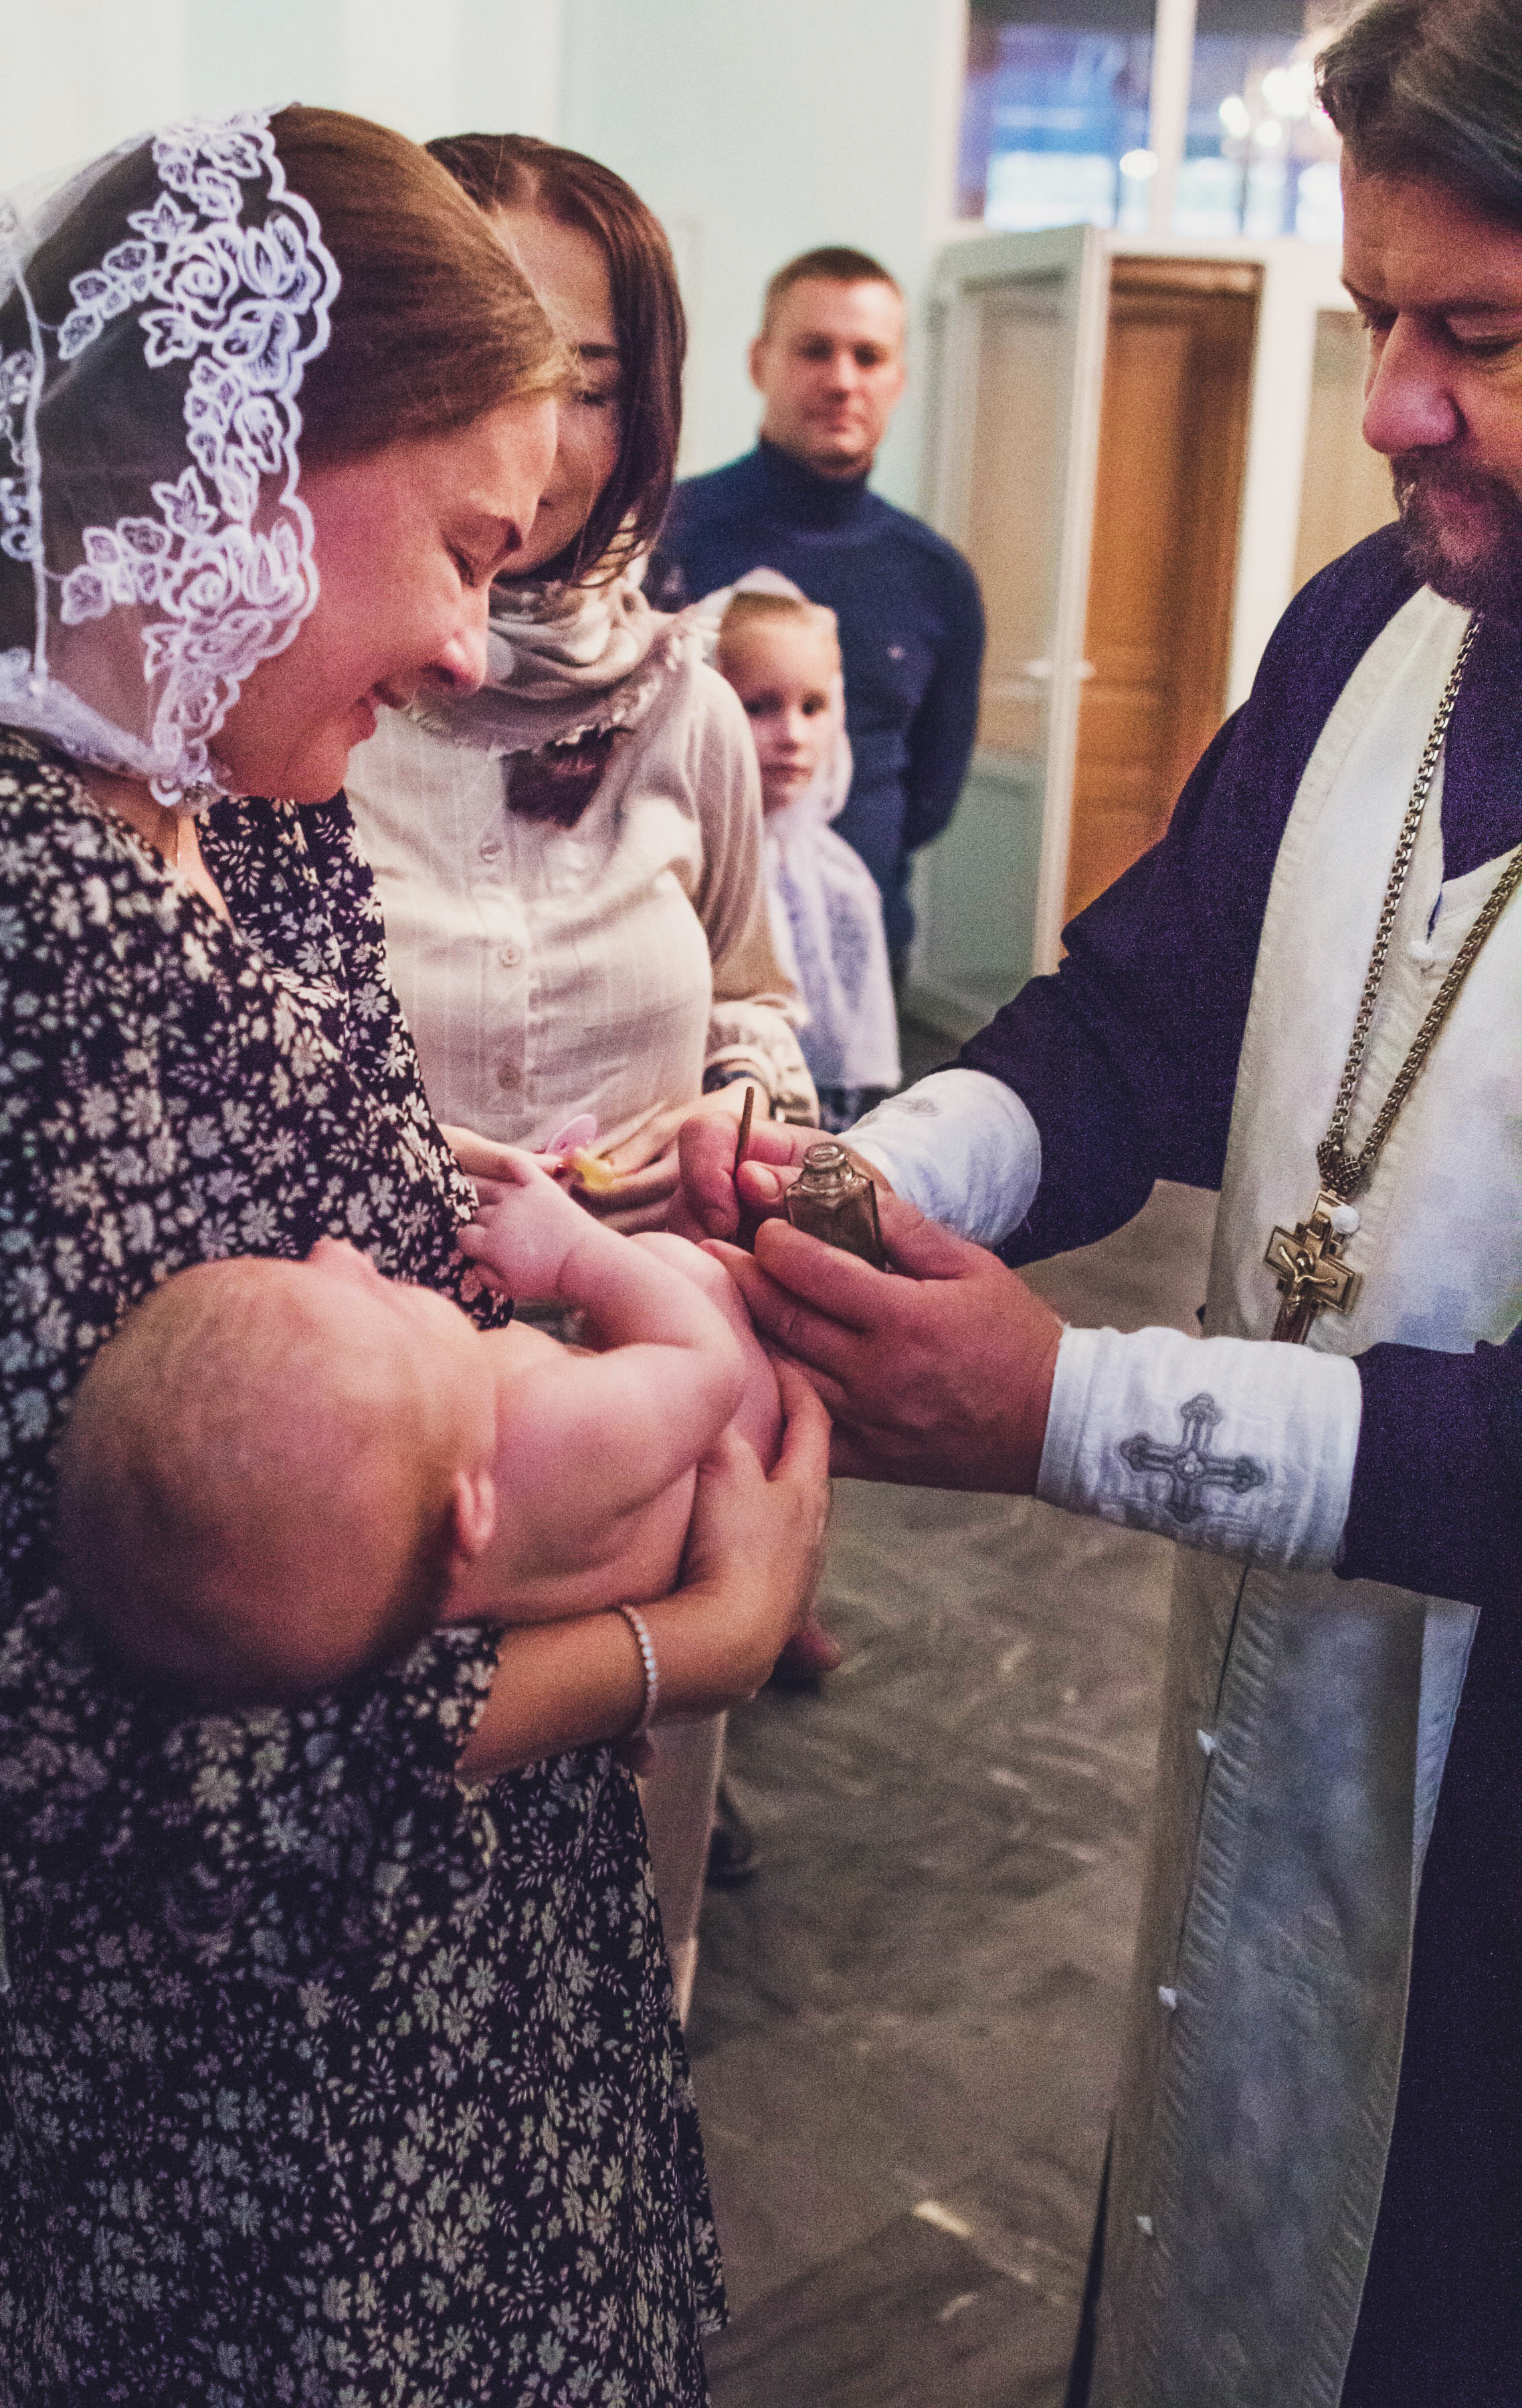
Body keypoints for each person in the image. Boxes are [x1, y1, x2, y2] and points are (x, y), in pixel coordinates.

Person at [0, 108, 830, 2405]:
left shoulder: (248, 800)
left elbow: (354, 1250)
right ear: (247, 458)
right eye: (455, 540)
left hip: (483, 1965)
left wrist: (569, 1232)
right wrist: (671, 1645)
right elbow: (79, 1757)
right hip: (263, 2101)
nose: (455, 638)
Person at [674, 3, 1522, 2399]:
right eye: (1379, 318)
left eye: (1477, 335)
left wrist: (1068, 1407)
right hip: (1294, 1716)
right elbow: (1136, 1017)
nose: (1389, 411)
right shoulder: (1373, 629)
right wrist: (861, 1174)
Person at [345, 130, 820, 1950]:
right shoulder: (309, 705)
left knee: (615, 1974)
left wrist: (748, 1118)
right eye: (483, 344)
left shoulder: (687, 706)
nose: (535, 425)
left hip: (650, 1416)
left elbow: (753, 990)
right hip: (390, 1473)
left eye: (594, 381)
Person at [62, 1194, 782, 1701]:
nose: (338, 1253)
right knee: (680, 1268)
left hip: (619, 1535)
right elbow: (707, 1366)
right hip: (734, 1457)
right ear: (469, 1510)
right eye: (387, 1301)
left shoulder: (386, 1571)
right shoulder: (542, 1429)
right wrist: (576, 1257)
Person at [655, 245, 986, 976]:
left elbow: (928, 803)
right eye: (814, 351)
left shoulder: (936, 578)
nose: (842, 380)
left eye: (868, 357)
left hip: (855, 961)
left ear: (898, 380)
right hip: (680, 951)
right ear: (758, 362)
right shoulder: (661, 536)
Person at [710, 583, 900, 1129]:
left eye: (813, 707)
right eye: (759, 707)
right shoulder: (692, 864)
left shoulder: (841, 880)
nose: (792, 735)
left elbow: (852, 1056)